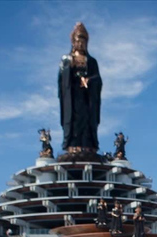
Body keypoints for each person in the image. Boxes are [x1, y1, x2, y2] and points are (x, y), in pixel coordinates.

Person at [58, 22, 102, 153]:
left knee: (88, 119)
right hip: (72, 96)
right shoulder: (66, 59)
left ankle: (88, 144)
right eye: (78, 41)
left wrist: (89, 80)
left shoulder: (92, 61)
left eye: (83, 41)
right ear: (73, 42)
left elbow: (98, 78)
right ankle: (73, 144)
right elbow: (61, 79)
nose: (81, 44)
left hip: (88, 97)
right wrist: (69, 68)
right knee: (74, 120)